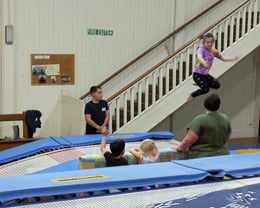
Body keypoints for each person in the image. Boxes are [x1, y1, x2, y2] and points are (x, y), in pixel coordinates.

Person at [172, 93, 231, 159]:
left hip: (202, 157)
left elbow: (189, 140)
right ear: (218, 105)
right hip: (223, 155)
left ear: (204, 105)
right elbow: (227, 137)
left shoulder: (199, 120)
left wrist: (179, 149)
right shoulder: (225, 119)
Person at [188, 33, 238, 101]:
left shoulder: (213, 50)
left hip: (205, 75)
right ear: (203, 43)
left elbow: (222, 58)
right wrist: (204, 62)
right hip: (197, 74)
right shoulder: (201, 49)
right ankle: (192, 94)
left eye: (211, 42)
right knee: (206, 90)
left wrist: (233, 59)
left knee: (217, 85)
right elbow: (199, 57)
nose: (209, 44)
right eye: (207, 42)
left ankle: (202, 83)